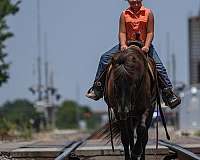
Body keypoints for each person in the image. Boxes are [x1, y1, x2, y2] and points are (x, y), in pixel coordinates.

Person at [86, 0, 181, 109]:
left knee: (159, 67)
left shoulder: (148, 13)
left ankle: (168, 93)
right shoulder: (124, 14)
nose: (135, 5)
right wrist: (122, 44)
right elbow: (122, 32)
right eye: (132, 3)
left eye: (137, 2)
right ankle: (97, 87)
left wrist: (146, 45)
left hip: (144, 45)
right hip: (127, 45)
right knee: (104, 58)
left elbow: (150, 32)